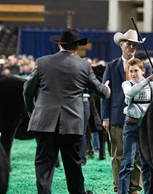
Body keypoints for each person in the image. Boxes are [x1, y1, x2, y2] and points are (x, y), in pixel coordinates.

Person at [23, 28, 111, 194]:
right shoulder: (84, 65)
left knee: (44, 166)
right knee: (73, 166)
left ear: (59, 45)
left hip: (44, 123)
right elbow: (101, 92)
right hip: (71, 124)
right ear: (76, 47)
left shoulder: (42, 62)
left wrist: (30, 109)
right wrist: (106, 89)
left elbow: (27, 89)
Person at [101, 29, 152, 193]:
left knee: (138, 154)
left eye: (134, 44)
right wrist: (105, 117)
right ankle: (119, 186)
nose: (131, 47)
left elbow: (151, 93)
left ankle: (135, 188)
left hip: (139, 118)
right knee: (118, 155)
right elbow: (105, 93)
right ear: (121, 45)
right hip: (116, 117)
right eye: (128, 44)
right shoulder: (111, 66)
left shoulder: (145, 68)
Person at [118, 58, 153, 194]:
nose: (133, 73)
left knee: (147, 163)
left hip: (146, 128)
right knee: (127, 163)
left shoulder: (151, 85)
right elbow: (131, 93)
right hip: (131, 126)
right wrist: (147, 80)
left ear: (143, 70)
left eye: (136, 70)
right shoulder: (126, 84)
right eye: (130, 71)